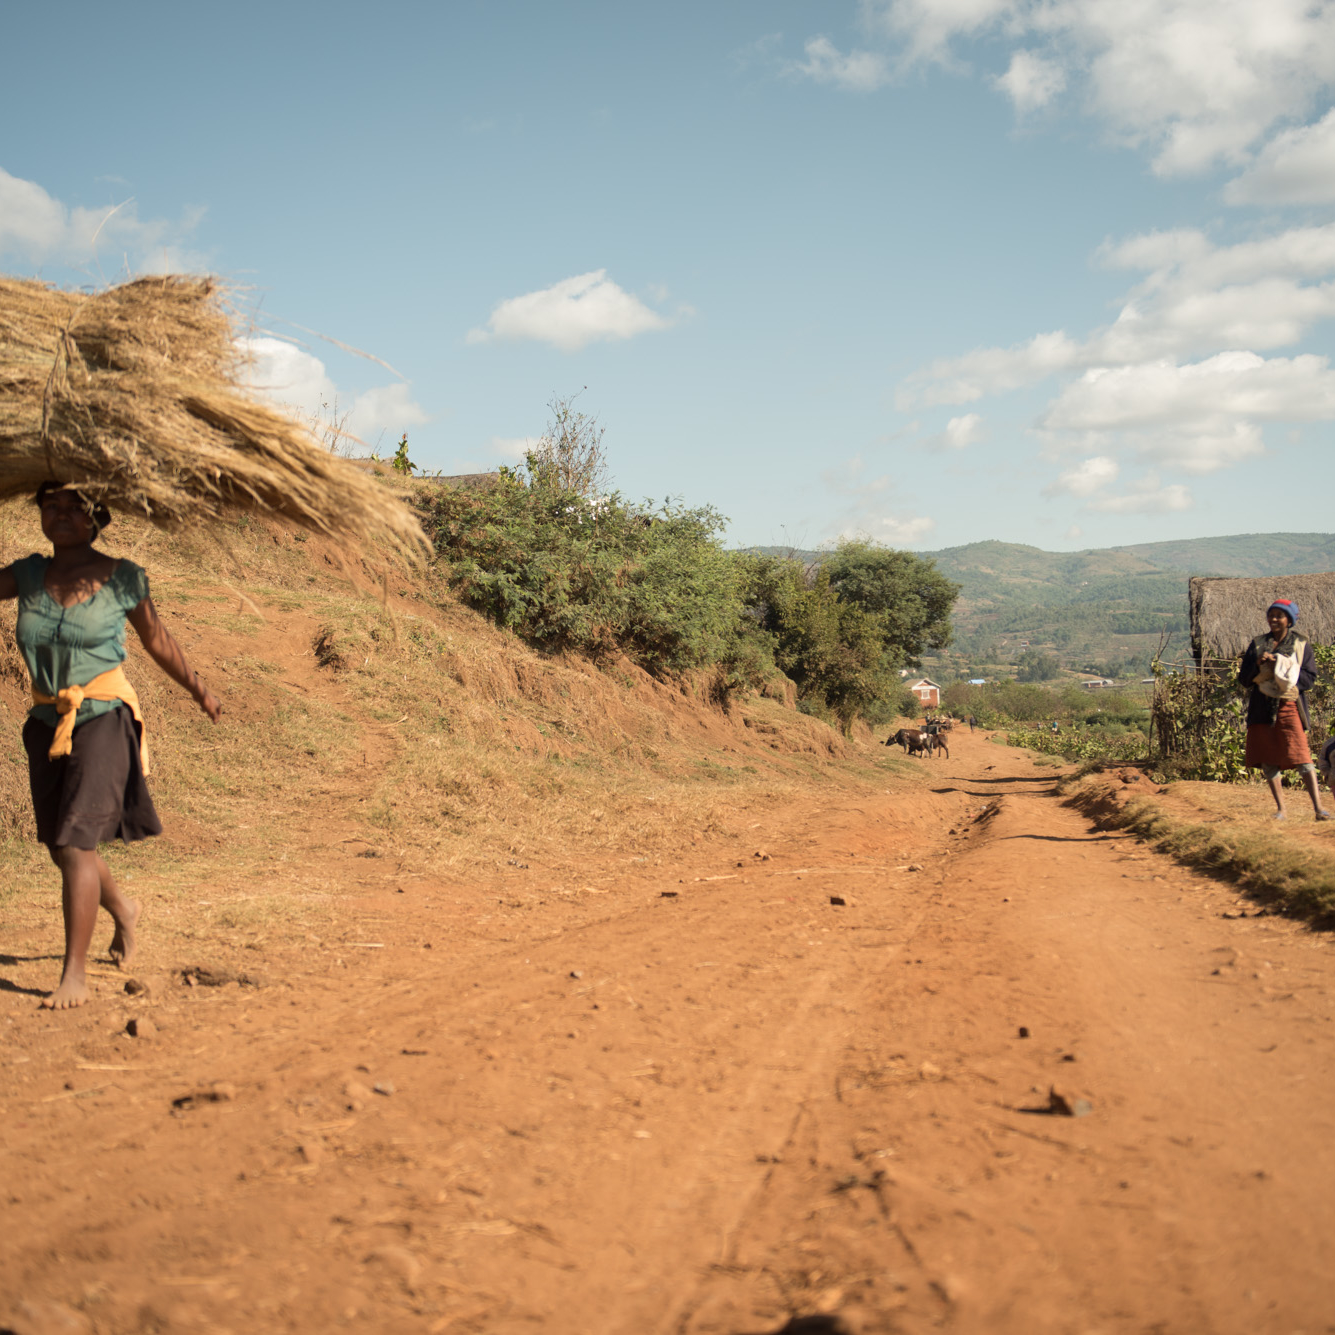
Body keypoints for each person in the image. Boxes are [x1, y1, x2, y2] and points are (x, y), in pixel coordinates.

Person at [0, 482, 221, 1009]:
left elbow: (157, 640)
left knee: (77, 842)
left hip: (104, 715)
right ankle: (123, 907)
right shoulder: (27, 575)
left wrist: (198, 689)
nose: (60, 513)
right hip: (46, 720)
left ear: (96, 517)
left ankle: (73, 975)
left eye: (74, 506)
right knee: (60, 845)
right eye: (50, 505)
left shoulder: (122, 577)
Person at [1238, 597, 1330, 822]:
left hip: (1289, 706)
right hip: (1261, 709)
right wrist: (1258, 665)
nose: (1274, 619)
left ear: (1289, 620)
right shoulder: (1258, 644)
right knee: (1268, 760)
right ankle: (1281, 810)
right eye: (1271, 615)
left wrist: (1282, 668)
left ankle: (1319, 809)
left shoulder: (1300, 645)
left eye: (1279, 616)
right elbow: (1244, 679)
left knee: (1302, 757)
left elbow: (1309, 678)